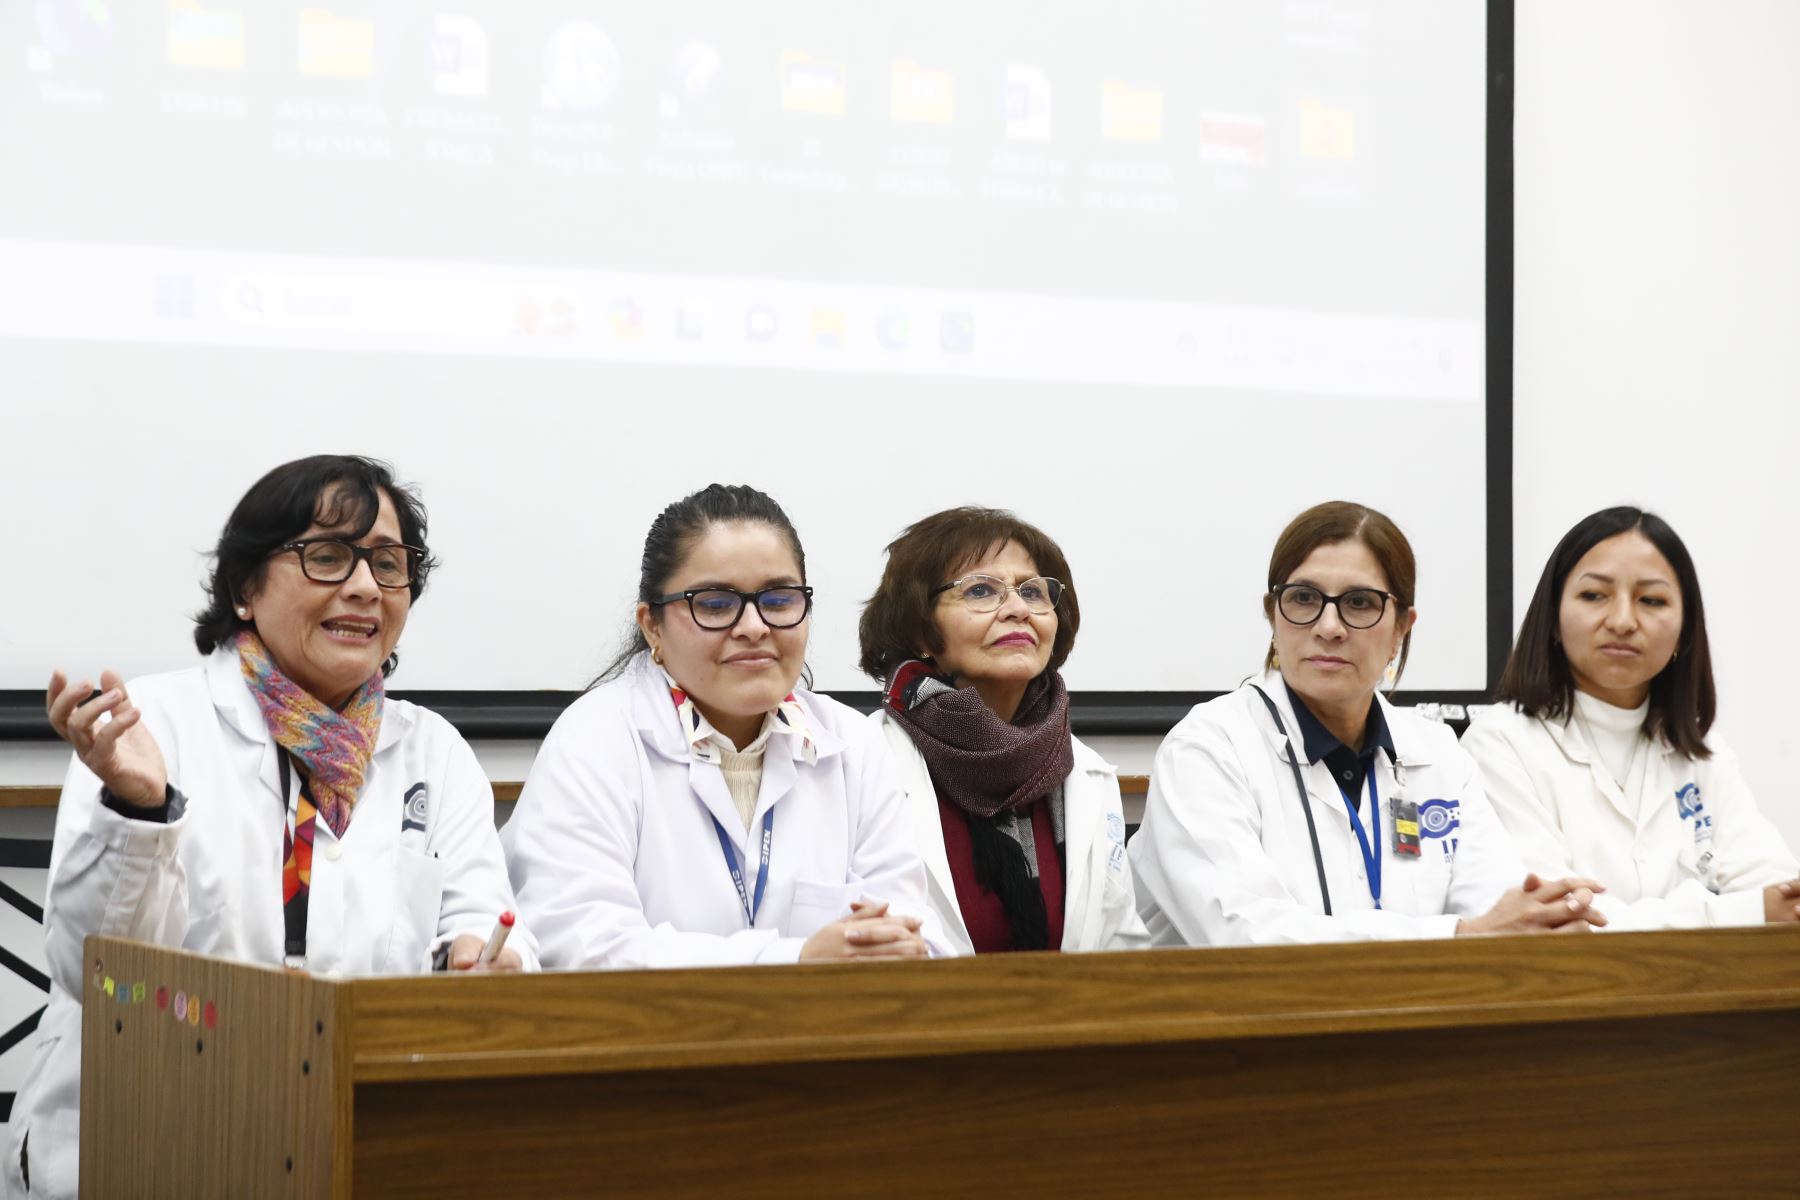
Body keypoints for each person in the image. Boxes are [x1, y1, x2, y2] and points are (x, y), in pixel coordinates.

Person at [6, 455, 531, 1199]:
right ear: (246, 588)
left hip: (354, 1137)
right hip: (156, 1135)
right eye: (326, 557)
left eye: (387, 563)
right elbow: (99, 976)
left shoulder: (433, 750)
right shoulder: (153, 725)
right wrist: (141, 809)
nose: (362, 587)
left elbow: (483, 920)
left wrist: (483, 960)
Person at [1130, 500, 1606, 945]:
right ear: (1272, 616)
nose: (1329, 626)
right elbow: (1247, 936)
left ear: (1402, 626)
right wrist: (1457, 936)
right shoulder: (1207, 750)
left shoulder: (1439, 753)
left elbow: (1499, 912)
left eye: (1360, 602)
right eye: (1303, 598)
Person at [503, 484, 939, 967]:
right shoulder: (595, 739)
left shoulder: (852, 743)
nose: (754, 625)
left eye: (778, 599)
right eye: (714, 604)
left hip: (829, 1036)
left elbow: (908, 929)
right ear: (652, 625)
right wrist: (794, 961)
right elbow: (583, 946)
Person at [1463, 506, 1800, 929]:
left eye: (1651, 600)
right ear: (1552, 618)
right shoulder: (1499, 742)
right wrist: (1741, 912)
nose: (1622, 621)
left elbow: (1779, 891)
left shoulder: (1702, 750)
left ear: (1684, 630)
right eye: (1594, 595)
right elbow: (1558, 920)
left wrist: (1766, 906)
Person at [858, 507, 1149, 954]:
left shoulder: (1083, 771)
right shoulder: (864, 763)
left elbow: (1120, 944)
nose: (1017, 610)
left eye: (1033, 592)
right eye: (980, 590)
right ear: (921, 630)